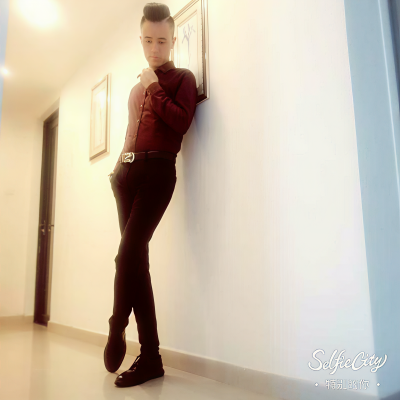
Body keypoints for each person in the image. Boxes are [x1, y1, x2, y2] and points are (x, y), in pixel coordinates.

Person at [103, 2, 198, 388]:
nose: (154, 48)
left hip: (157, 173)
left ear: (172, 40)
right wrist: (116, 172)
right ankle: (151, 358)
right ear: (141, 39)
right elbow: (132, 132)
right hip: (125, 176)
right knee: (136, 263)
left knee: (125, 256)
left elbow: (181, 121)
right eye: (147, 40)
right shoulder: (133, 89)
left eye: (161, 41)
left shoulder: (182, 79)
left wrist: (153, 86)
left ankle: (116, 325)